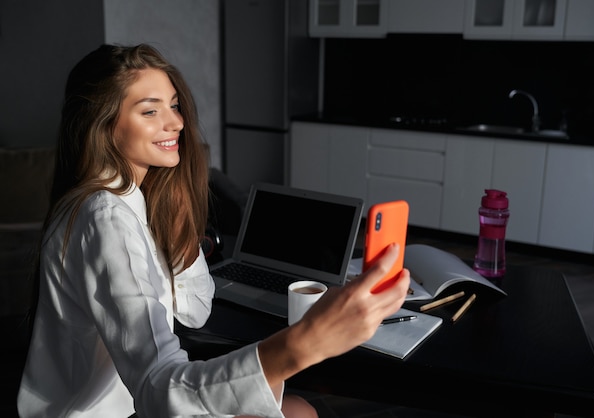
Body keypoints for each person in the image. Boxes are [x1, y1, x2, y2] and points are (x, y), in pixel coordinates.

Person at [17, 43, 410, 418]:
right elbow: (157, 388)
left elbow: (194, 310)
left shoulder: (129, 198)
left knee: (299, 411)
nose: (176, 122)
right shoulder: (105, 218)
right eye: (150, 111)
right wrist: (303, 343)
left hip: (128, 401)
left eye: (173, 105)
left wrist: (180, 229)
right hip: (110, 411)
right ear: (101, 124)